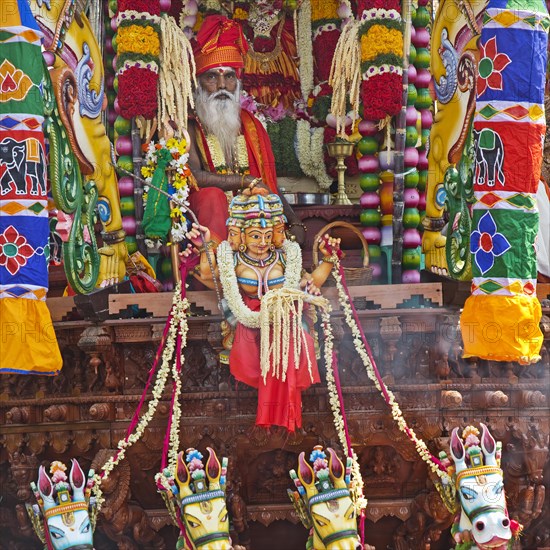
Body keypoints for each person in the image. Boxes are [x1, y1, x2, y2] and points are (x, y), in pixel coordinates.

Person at [183, 192, 339, 432]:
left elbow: (310, 284)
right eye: (256, 235)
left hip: (285, 318)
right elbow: (209, 275)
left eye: (268, 235)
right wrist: (206, 246)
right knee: (249, 347)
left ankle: (285, 411)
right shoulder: (232, 258)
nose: (262, 242)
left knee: (298, 341)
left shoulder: (287, 257)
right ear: (241, 235)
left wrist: (328, 259)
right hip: (248, 318)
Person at [186, 15, 307, 246]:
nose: (222, 86)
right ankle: (218, 266)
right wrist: (245, 181)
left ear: (238, 83)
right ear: (198, 83)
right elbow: (195, 177)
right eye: (212, 77)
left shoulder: (250, 125)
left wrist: (294, 220)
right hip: (206, 227)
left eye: (229, 76)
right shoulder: (191, 124)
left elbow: (268, 183)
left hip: (253, 224)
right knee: (213, 196)